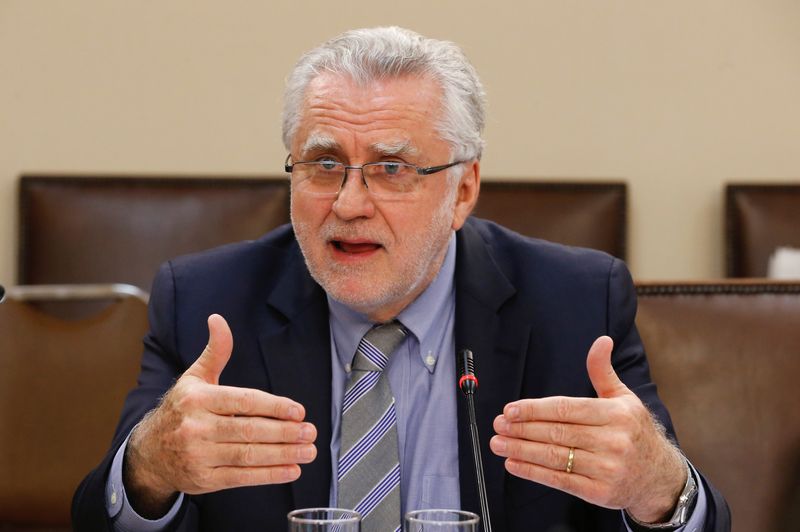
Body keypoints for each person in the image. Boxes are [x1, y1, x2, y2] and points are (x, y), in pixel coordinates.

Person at [72, 26, 730, 531]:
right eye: (324, 163)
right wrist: (150, 465)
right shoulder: (207, 304)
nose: (350, 203)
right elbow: (98, 514)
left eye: (391, 169)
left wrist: (657, 487)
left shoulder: (575, 304)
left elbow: (698, 516)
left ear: (463, 189)